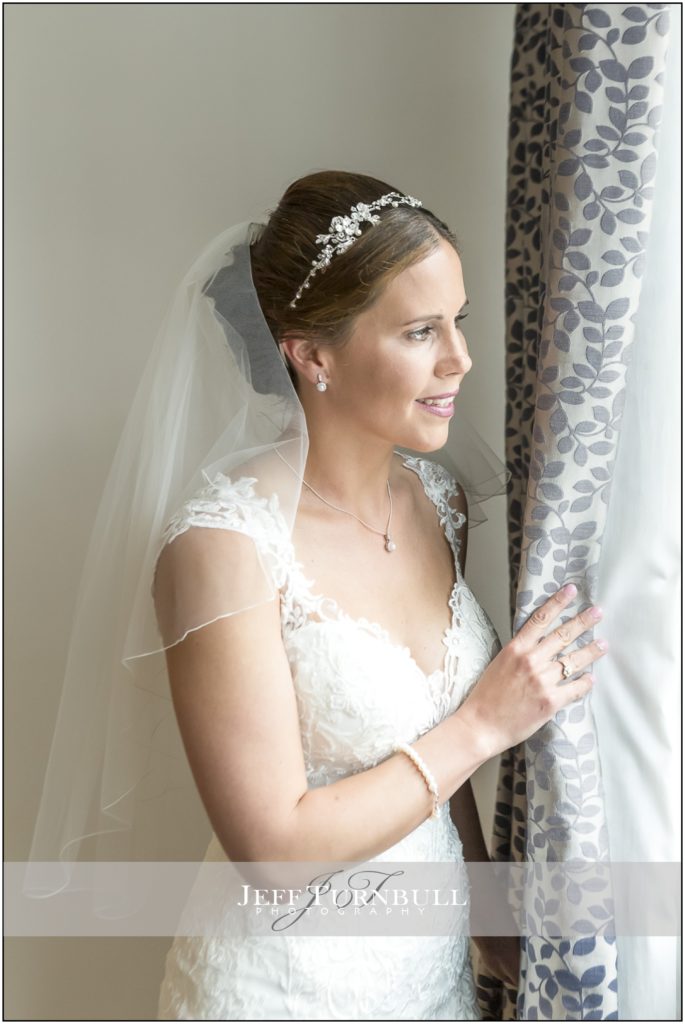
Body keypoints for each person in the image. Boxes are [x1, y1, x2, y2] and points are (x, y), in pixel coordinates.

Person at [148, 171, 608, 1020]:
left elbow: (438, 765)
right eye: (419, 331)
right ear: (310, 353)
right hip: (280, 988)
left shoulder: (441, 505)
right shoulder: (221, 547)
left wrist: (489, 916)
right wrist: (485, 724)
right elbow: (274, 851)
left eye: (457, 322)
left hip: (429, 974)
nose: (460, 360)